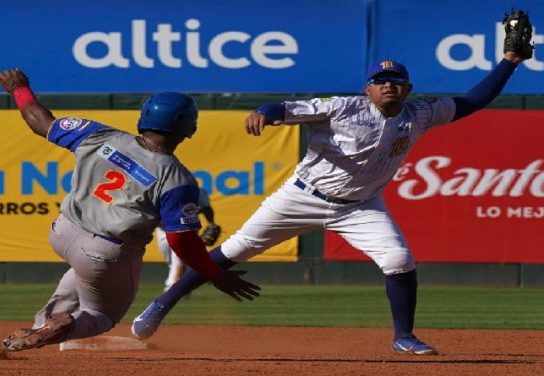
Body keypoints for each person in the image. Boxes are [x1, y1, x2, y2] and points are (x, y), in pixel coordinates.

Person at [130, 49, 529, 354]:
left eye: (396, 80)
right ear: (368, 87)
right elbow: (283, 109)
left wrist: (510, 60)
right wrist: (263, 113)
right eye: (381, 80)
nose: (389, 85)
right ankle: (161, 305)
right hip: (300, 197)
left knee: (399, 260)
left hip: (361, 206)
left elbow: (475, 99)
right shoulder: (340, 107)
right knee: (233, 250)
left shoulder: (421, 113)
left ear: (407, 89)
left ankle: (404, 337)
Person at [0, 68, 260, 352]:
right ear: (190, 129)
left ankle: (41, 327)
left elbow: (40, 122)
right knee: (101, 316)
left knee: (81, 278)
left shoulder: (100, 135)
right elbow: (181, 241)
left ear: (143, 118)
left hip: (64, 230)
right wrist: (216, 274)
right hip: (104, 252)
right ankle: (63, 327)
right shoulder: (177, 179)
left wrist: (19, 89)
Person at [156, 186, 221, 292]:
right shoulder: (159, 190)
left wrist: (211, 223)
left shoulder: (194, 190)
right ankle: (185, 283)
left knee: (178, 256)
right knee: (169, 258)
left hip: (184, 226)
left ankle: (172, 286)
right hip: (162, 228)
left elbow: (206, 208)